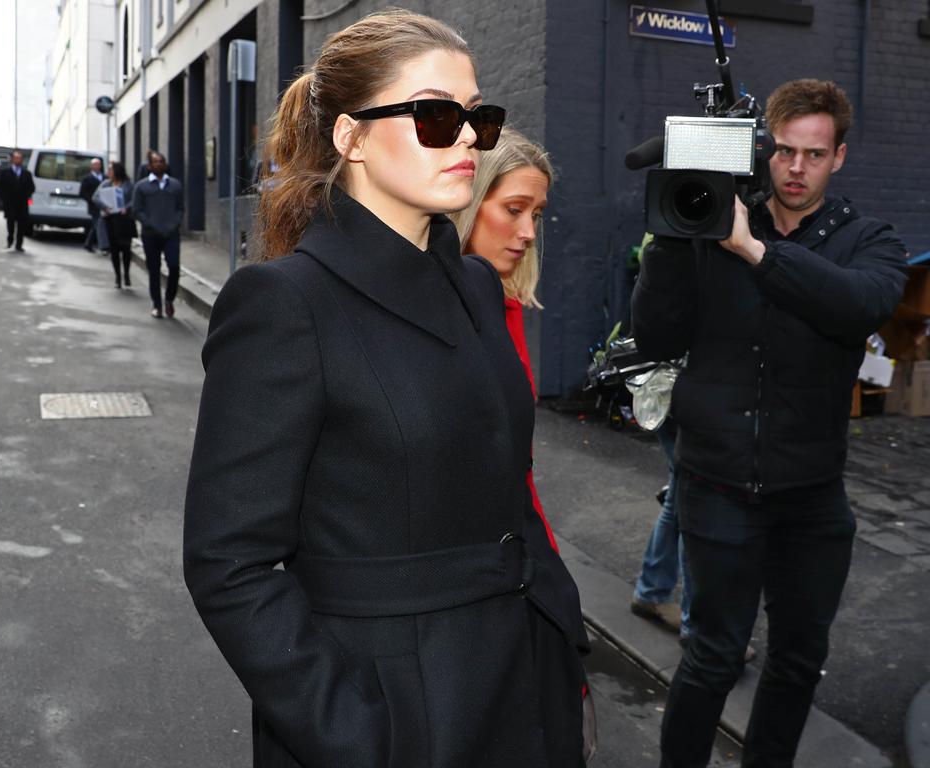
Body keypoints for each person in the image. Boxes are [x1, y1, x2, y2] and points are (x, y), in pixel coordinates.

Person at [183, 11, 592, 768]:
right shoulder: (284, 304)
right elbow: (229, 563)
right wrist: (359, 735)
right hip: (398, 711)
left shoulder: (474, 283)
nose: (471, 136)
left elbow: (508, 486)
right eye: (438, 114)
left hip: (524, 685)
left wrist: (559, 623)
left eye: (479, 117)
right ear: (351, 137)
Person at [632, 79, 908, 767]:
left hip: (811, 496)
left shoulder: (865, 240)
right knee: (711, 657)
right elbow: (658, 337)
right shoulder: (713, 225)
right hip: (716, 485)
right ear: (765, 147)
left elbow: (858, 306)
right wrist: (674, 230)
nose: (794, 168)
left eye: (813, 155)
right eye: (783, 150)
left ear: (838, 157)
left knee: (795, 663)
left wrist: (754, 249)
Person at [450, 125, 559, 553]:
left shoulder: (507, 307)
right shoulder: (424, 309)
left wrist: (546, 561)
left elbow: (520, 471)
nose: (530, 232)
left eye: (536, 214)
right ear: (469, 205)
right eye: (514, 209)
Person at [131, 151, 183, 318]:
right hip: (150, 235)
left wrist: (174, 224)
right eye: (155, 162)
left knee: (174, 267)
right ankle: (157, 305)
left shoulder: (175, 185)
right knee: (154, 270)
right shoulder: (141, 186)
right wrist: (149, 224)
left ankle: (169, 299)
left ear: (165, 164)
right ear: (149, 166)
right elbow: (137, 210)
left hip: (171, 234)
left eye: (161, 161)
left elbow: (180, 209)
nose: (159, 164)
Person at [94, 161, 136, 289]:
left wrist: (126, 208)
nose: (109, 172)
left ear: (117, 171)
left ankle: (127, 274)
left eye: (111, 170)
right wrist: (104, 207)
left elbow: (135, 200)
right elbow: (95, 197)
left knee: (126, 249)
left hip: (124, 220)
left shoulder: (128, 185)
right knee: (114, 250)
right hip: (111, 220)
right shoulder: (106, 184)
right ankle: (118, 276)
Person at [0, 150, 36, 252]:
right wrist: (4, 200)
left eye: (20, 158)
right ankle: (10, 241)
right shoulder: (5, 173)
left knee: (21, 225)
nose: (18, 160)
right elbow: (0, 188)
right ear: (12, 159)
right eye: (16, 158)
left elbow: (32, 188)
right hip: (10, 204)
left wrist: (26, 196)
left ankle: (19, 244)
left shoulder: (27, 174)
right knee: (10, 224)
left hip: (22, 204)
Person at [80, 157, 105, 252]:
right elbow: (82, 193)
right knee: (97, 224)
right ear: (92, 166)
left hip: (103, 205)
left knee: (98, 225)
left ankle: (92, 243)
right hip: (93, 206)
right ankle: (90, 243)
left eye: (98, 164)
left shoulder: (104, 177)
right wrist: (91, 200)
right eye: (95, 164)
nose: (97, 166)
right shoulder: (87, 178)